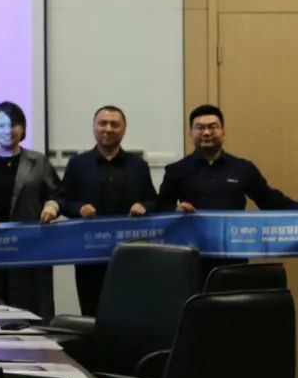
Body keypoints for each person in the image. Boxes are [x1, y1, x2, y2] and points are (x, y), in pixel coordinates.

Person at [159, 104, 298, 280]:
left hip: (233, 257)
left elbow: (270, 200)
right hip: (190, 258)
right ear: (191, 133)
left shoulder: (243, 168)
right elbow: (160, 206)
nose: (206, 132)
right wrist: (175, 210)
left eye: (212, 127)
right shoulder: (176, 170)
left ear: (223, 131)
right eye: (200, 128)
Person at [0, 101, 61, 319]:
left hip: (30, 250)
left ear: (23, 128)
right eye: (1, 125)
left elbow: (57, 193)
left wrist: (52, 205)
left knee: (31, 311)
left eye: (13, 124)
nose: (8, 131)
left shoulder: (38, 162)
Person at [58, 105, 157, 315]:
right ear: (94, 127)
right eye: (103, 123)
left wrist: (145, 206)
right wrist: (79, 208)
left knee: (130, 312)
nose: (108, 129)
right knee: (91, 312)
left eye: (114, 124)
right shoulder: (78, 164)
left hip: (130, 254)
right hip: (89, 254)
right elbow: (63, 201)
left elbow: (153, 200)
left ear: (124, 129)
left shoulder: (138, 165)